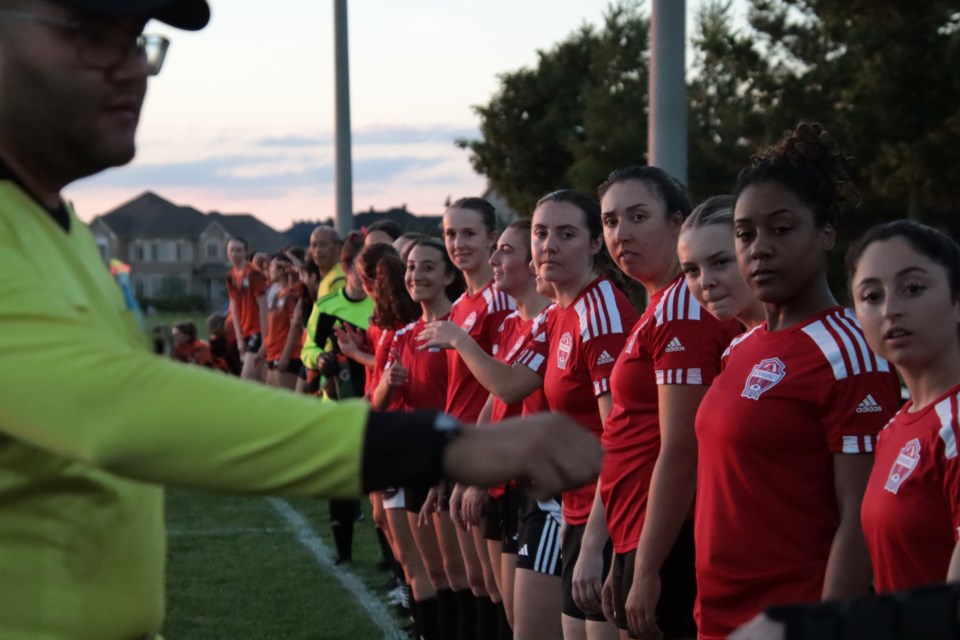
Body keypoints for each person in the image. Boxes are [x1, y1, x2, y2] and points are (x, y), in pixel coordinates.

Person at [0, 2, 603, 637]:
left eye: (138, 42)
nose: (130, 69)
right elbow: (114, 406)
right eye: (94, 36)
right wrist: (445, 446)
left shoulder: (53, 226)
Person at [693, 123, 902, 640]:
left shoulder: (849, 350)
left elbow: (860, 517)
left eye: (781, 229)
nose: (758, 249)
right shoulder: (740, 346)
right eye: (745, 234)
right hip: (716, 617)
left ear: (826, 232)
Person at [422, 190, 638, 640]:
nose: (549, 245)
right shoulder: (559, 312)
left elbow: (620, 435)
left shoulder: (599, 311)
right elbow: (508, 386)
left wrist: (595, 538)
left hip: (600, 513)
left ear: (595, 244)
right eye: (541, 233)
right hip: (569, 508)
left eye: (566, 233)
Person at [589, 168, 742, 640]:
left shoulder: (684, 307)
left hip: (667, 533)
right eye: (611, 221)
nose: (621, 234)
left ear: (678, 224)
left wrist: (647, 565)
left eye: (638, 217)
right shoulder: (661, 304)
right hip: (638, 525)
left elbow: (680, 448)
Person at [848, 221, 960, 592]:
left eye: (912, 288)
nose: (890, 310)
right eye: (871, 296)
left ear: (956, 299)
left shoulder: (955, 425)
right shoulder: (894, 428)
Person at [677, 195, 765, 330]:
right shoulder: (739, 347)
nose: (705, 282)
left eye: (721, 262)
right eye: (692, 270)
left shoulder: (805, 338)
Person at [226, 235, 268, 381]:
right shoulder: (230, 275)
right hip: (244, 331)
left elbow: (263, 307)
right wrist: (238, 338)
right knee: (260, 379)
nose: (234, 254)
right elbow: (234, 308)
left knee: (247, 378)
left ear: (245, 253)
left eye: (238, 250)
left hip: (257, 330)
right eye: (232, 250)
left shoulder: (253, 274)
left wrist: (265, 339)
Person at [263, 253, 303, 390]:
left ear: (281, 270)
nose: (268, 270)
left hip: (286, 356)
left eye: (272, 266)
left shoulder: (290, 295)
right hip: (272, 354)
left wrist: (285, 356)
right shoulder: (276, 295)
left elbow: (295, 327)